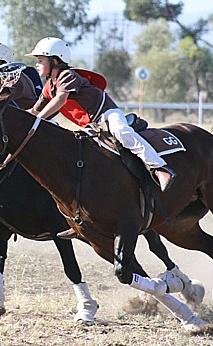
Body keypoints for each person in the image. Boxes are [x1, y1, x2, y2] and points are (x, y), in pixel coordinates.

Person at [25, 37, 176, 239]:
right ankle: (80, 219)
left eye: (40, 60)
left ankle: (160, 168)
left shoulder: (66, 76)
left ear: (55, 60)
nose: (37, 64)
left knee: (123, 134)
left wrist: (38, 120)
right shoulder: (48, 86)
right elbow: (35, 110)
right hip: (91, 126)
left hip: (107, 115)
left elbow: (59, 101)